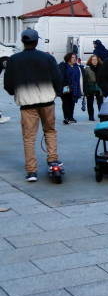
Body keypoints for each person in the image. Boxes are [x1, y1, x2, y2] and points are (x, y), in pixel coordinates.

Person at [3, 28, 64, 182]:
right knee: (50, 131)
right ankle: (53, 160)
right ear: (37, 42)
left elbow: (8, 83)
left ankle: (32, 171)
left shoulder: (14, 59)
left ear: (23, 43)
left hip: (27, 103)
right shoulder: (47, 58)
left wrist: (15, 92)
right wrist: (56, 92)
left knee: (29, 138)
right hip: (47, 101)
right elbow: (58, 78)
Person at [58, 52, 84, 124]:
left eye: (75, 57)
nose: (74, 59)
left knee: (72, 102)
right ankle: (66, 117)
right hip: (66, 87)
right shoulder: (64, 66)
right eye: (73, 57)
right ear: (69, 58)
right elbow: (61, 76)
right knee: (66, 101)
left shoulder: (77, 67)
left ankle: (71, 116)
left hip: (75, 87)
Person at [83, 54, 104, 121]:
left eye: (95, 60)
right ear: (90, 61)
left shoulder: (101, 68)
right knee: (90, 102)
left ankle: (101, 115)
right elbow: (85, 79)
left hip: (99, 87)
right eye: (93, 60)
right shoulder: (87, 68)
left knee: (100, 102)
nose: (94, 61)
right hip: (90, 86)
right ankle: (91, 116)